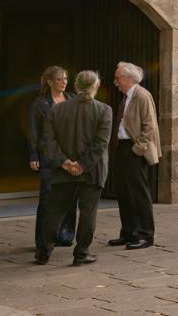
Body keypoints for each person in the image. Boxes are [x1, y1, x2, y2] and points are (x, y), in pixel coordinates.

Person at [37, 70, 111, 266]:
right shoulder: (104, 110)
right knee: (88, 213)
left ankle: (44, 253)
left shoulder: (57, 109)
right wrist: (82, 165)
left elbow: (48, 141)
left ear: (75, 86)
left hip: (63, 170)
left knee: (54, 212)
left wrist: (64, 162)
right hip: (92, 170)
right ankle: (81, 254)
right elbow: (101, 144)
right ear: (97, 86)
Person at [107, 61, 160, 250]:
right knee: (124, 194)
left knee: (139, 194)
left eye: (118, 78)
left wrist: (137, 149)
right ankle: (129, 233)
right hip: (121, 148)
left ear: (129, 78)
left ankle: (146, 235)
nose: (115, 82)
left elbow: (150, 127)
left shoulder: (142, 96)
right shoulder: (126, 97)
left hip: (135, 150)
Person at [28, 66, 77, 251]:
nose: (64, 82)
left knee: (69, 196)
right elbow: (33, 130)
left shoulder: (72, 99)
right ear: (50, 82)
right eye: (59, 79)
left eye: (66, 78)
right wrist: (33, 154)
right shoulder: (40, 103)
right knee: (47, 197)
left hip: (69, 156)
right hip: (48, 155)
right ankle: (43, 238)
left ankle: (64, 235)